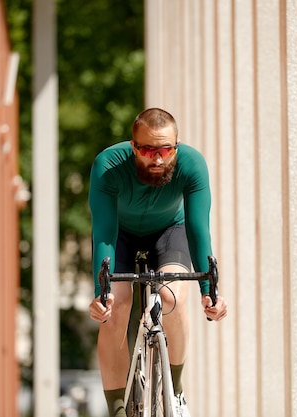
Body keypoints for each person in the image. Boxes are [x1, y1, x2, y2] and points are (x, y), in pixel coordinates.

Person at [88, 107, 228, 417]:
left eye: (166, 149)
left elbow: (197, 228)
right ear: (133, 146)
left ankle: (175, 392)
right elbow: (104, 232)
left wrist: (210, 290)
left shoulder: (192, 164)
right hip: (120, 235)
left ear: (176, 146)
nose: (158, 158)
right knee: (117, 308)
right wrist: (103, 293)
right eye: (149, 150)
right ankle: (117, 409)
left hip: (170, 231)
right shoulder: (108, 165)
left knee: (172, 297)